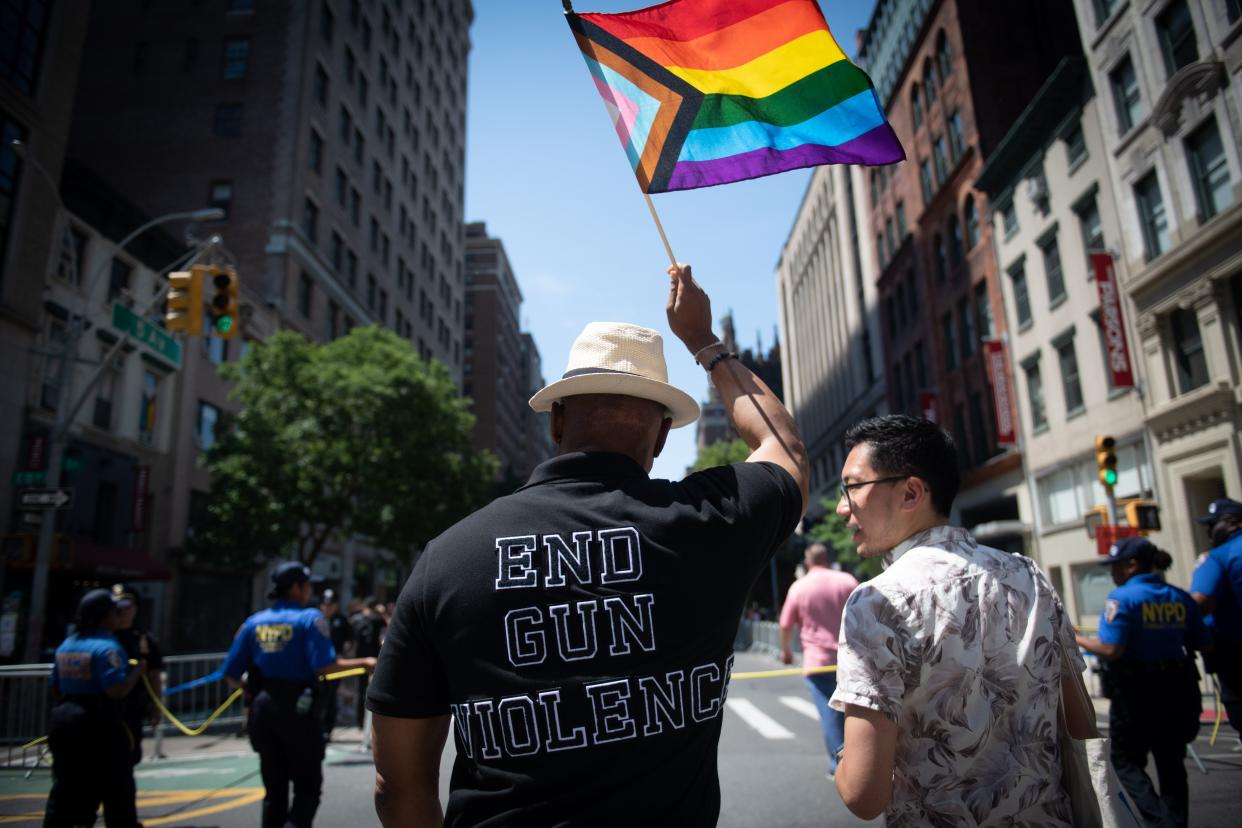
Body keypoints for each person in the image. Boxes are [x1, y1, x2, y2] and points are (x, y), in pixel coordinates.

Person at [367, 263, 808, 826]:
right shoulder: (711, 520)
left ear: (556, 424)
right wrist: (704, 341)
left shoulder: (447, 557)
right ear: (663, 435)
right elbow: (784, 447)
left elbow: (397, 782)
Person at [828, 415, 1093, 825]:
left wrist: (845, 758)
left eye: (853, 487)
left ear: (911, 492)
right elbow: (1080, 723)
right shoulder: (1029, 576)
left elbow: (864, 796)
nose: (843, 507)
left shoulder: (877, 602)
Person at [223, 562, 378, 828]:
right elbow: (325, 666)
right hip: (299, 711)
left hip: (263, 710)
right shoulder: (309, 619)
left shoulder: (254, 623)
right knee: (307, 789)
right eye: (307, 585)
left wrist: (253, 690)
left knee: (274, 791)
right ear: (296, 587)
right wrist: (365, 663)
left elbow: (231, 674)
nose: (310, 591)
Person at [1076, 537, 1209, 828]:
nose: (1112, 573)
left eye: (1115, 566)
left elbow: (1112, 649)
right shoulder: (1180, 597)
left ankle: (1160, 822)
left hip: (1137, 692)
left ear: (1131, 565)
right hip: (1179, 688)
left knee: (1123, 759)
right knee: (1172, 763)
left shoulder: (1121, 599)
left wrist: (1076, 637)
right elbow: (1199, 641)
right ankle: (1175, 820)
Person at [45, 589, 147, 828]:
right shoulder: (107, 648)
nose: (118, 616)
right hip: (100, 724)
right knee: (117, 788)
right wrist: (136, 672)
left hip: (65, 720)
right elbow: (117, 690)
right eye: (115, 612)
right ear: (103, 617)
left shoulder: (67, 645)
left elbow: (56, 687)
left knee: (65, 787)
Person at [778, 542, 857, 777]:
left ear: (808, 561)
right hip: (850, 659)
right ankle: (861, 763)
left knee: (830, 714)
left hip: (818, 662)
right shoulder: (847, 581)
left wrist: (786, 652)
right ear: (826, 557)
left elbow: (785, 624)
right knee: (855, 713)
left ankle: (841, 768)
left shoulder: (799, 587)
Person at [1190, 497, 1242, 740]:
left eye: (1213, 524)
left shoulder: (1217, 557)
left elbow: (1197, 604)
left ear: (1233, 523)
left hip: (1234, 653)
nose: (1209, 531)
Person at [112, 583, 164, 766]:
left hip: (132, 707)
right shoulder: (103, 636)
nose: (123, 611)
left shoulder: (145, 639)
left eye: (127, 606)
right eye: (118, 606)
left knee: (128, 756)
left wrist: (157, 708)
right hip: (103, 708)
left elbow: (154, 675)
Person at [319, 589, 353, 740]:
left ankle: (327, 729)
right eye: (325, 605)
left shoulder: (342, 620)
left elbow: (350, 640)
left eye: (330, 605)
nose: (327, 608)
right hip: (318, 664)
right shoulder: (316, 620)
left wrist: (344, 653)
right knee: (317, 696)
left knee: (331, 696)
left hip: (335, 664)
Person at [349, 598, 385, 727]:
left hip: (359, 660)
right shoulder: (378, 619)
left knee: (360, 690)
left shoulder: (355, 619)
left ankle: (360, 722)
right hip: (375, 660)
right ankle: (369, 725)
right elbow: (385, 638)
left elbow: (351, 641)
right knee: (374, 691)